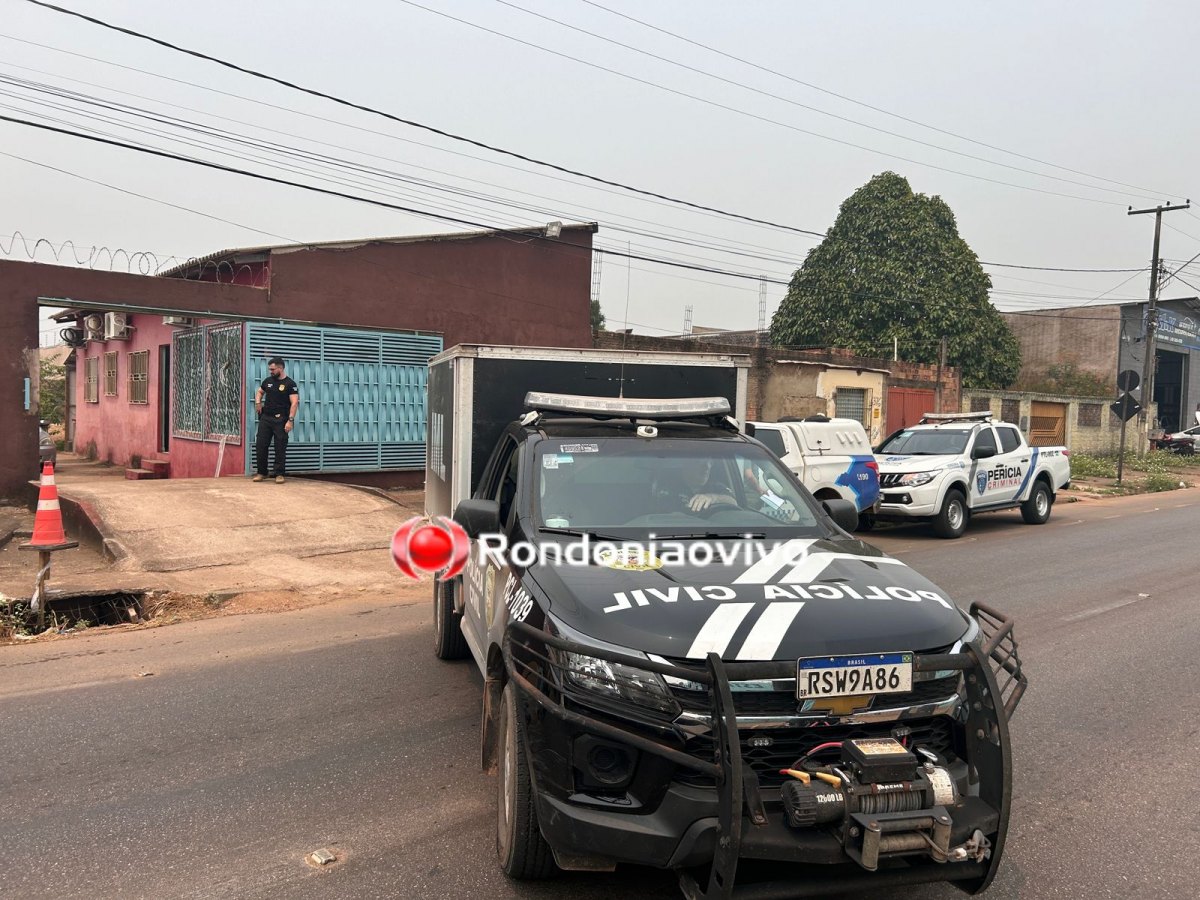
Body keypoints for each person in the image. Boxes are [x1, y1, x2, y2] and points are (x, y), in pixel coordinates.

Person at [253, 357, 299, 483]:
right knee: (261, 446)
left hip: (281, 419)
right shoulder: (268, 381)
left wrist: (290, 420)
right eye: (270, 369)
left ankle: (279, 474)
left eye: (272, 369)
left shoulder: (290, 384)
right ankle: (262, 472)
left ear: (280, 368)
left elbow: (294, 403)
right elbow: (260, 392)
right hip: (266, 418)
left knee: (280, 447)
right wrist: (258, 403)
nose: (271, 372)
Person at [652, 456, 738, 513]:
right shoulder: (669, 487)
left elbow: (733, 502)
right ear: (687, 465)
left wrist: (713, 498)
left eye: (710, 463)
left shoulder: (715, 486)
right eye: (701, 463)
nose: (707, 467)